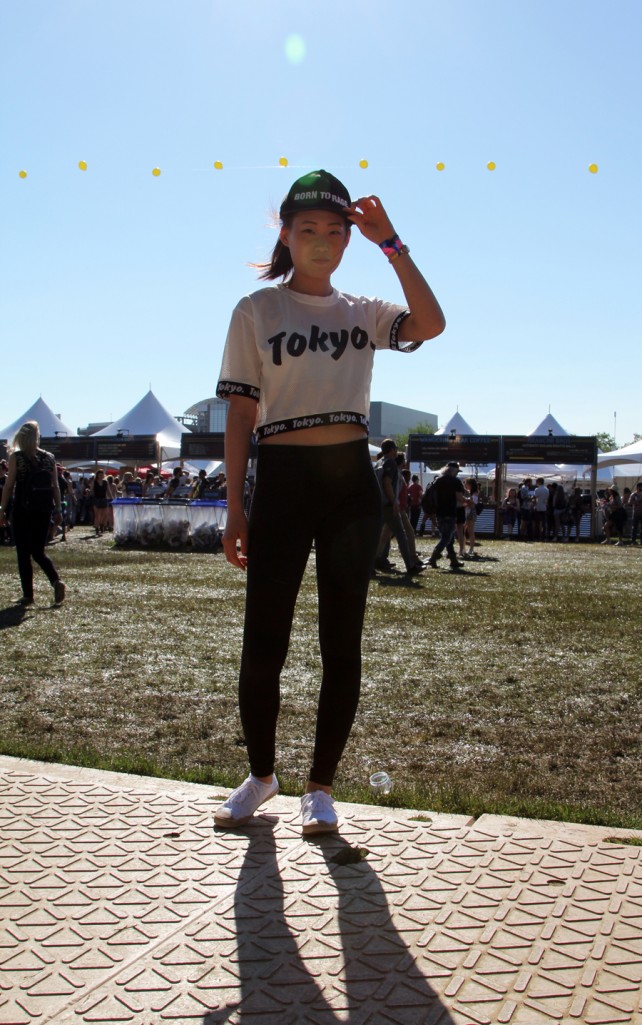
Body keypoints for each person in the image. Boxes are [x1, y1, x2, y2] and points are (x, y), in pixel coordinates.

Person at [213, 169, 445, 835]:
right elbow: (240, 415)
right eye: (307, 228)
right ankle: (261, 775)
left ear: (348, 240)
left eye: (335, 231)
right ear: (286, 234)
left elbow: (431, 323)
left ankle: (321, 787)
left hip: (350, 486)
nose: (321, 240)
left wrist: (392, 243)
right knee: (264, 641)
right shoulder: (257, 310)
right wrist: (235, 507)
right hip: (282, 481)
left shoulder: (363, 311)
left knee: (342, 643)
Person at [0, 421, 65, 605]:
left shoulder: (17, 457)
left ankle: (28, 595)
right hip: (44, 509)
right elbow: (55, 486)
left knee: (23, 553)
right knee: (38, 551)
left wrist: (2, 509)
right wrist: (58, 509)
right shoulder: (49, 457)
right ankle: (56, 581)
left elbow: (9, 486)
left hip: (23, 508)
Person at [374, 440, 423, 575]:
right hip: (389, 505)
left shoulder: (379, 462)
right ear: (391, 450)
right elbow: (387, 482)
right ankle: (410, 566)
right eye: (395, 448)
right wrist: (394, 501)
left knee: (379, 536)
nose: (396, 451)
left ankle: (371, 565)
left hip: (380, 504)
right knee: (401, 535)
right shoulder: (390, 463)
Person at [426, 462, 467, 570]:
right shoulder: (455, 482)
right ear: (453, 471)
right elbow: (459, 497)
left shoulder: (438, 480)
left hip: (439, 512)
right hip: (450, 512)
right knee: (447, 537)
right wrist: (469, 501)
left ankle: (453, 560)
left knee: (448, 536)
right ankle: (433, 557)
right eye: (457, 471)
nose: (457, 473)